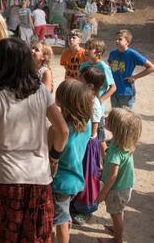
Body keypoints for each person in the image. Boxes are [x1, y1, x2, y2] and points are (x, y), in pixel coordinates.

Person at [0, 37, 69, 243]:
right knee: (37, 236)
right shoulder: (42, 93)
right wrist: (53, 159)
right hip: (39, 177)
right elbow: (62, 130)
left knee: (7, 236)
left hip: (4, 178)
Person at [51, 79, 94, 243]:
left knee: (59, 221)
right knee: (64, 215)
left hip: (60, 183)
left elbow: (52, 157)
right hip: (75, 180)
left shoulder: (61, 131)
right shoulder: (87, 124)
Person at [97, 108, 142, 243]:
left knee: (115, 213)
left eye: (109, 119)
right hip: (125, 187)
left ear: (116, 127)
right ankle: (117, 228)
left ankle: (117, 239)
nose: (105, 119)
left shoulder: (117, 150)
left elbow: (113, 176)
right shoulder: (125, 143)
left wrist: (103, 193)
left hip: (116, 189)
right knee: (118, 211)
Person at [71, 66, 105, 225]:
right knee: (77, 173)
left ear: (90, 86)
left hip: (89, 145)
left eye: (80, 78)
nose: (77, 79)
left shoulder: (94, 103)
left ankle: (86, 209)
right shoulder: (84, 97)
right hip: (81, 141)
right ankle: (75, 203)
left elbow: (94, 131)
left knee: (88, 177)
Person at [80, 38, 116, 158]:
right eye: (87, 47)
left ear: (98, 52)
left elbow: (113, 87)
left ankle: (106, 162)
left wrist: (100, 100)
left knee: (100, 138)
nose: (87, 50)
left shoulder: (103, 67)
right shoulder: (83, 65)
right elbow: (79, 82)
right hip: (83, 105)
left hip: (96, 109)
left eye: (90, 48)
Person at [108, 29, 154, 109]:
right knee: (115, 117)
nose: (117, 41)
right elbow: (109, 67)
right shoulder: (112, 53)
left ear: (128, 42)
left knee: (125, 118)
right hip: (114, 91)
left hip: (126, 92)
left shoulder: (132, 54)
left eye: (120, 39)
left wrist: (134, 77)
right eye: (116, 39)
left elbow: (151, 67)